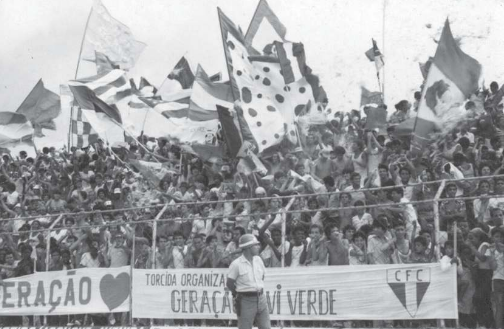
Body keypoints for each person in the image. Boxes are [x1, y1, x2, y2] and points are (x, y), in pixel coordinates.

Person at [226, 234, 270, 329]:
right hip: (245, 300)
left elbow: (262, 277)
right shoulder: (236, 264)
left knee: (266, 327)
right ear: (248, 248)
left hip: (261, 298)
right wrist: (237, 294)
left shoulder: (258, 260)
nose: (258, 247)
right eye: (255, 245)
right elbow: (229, 283)